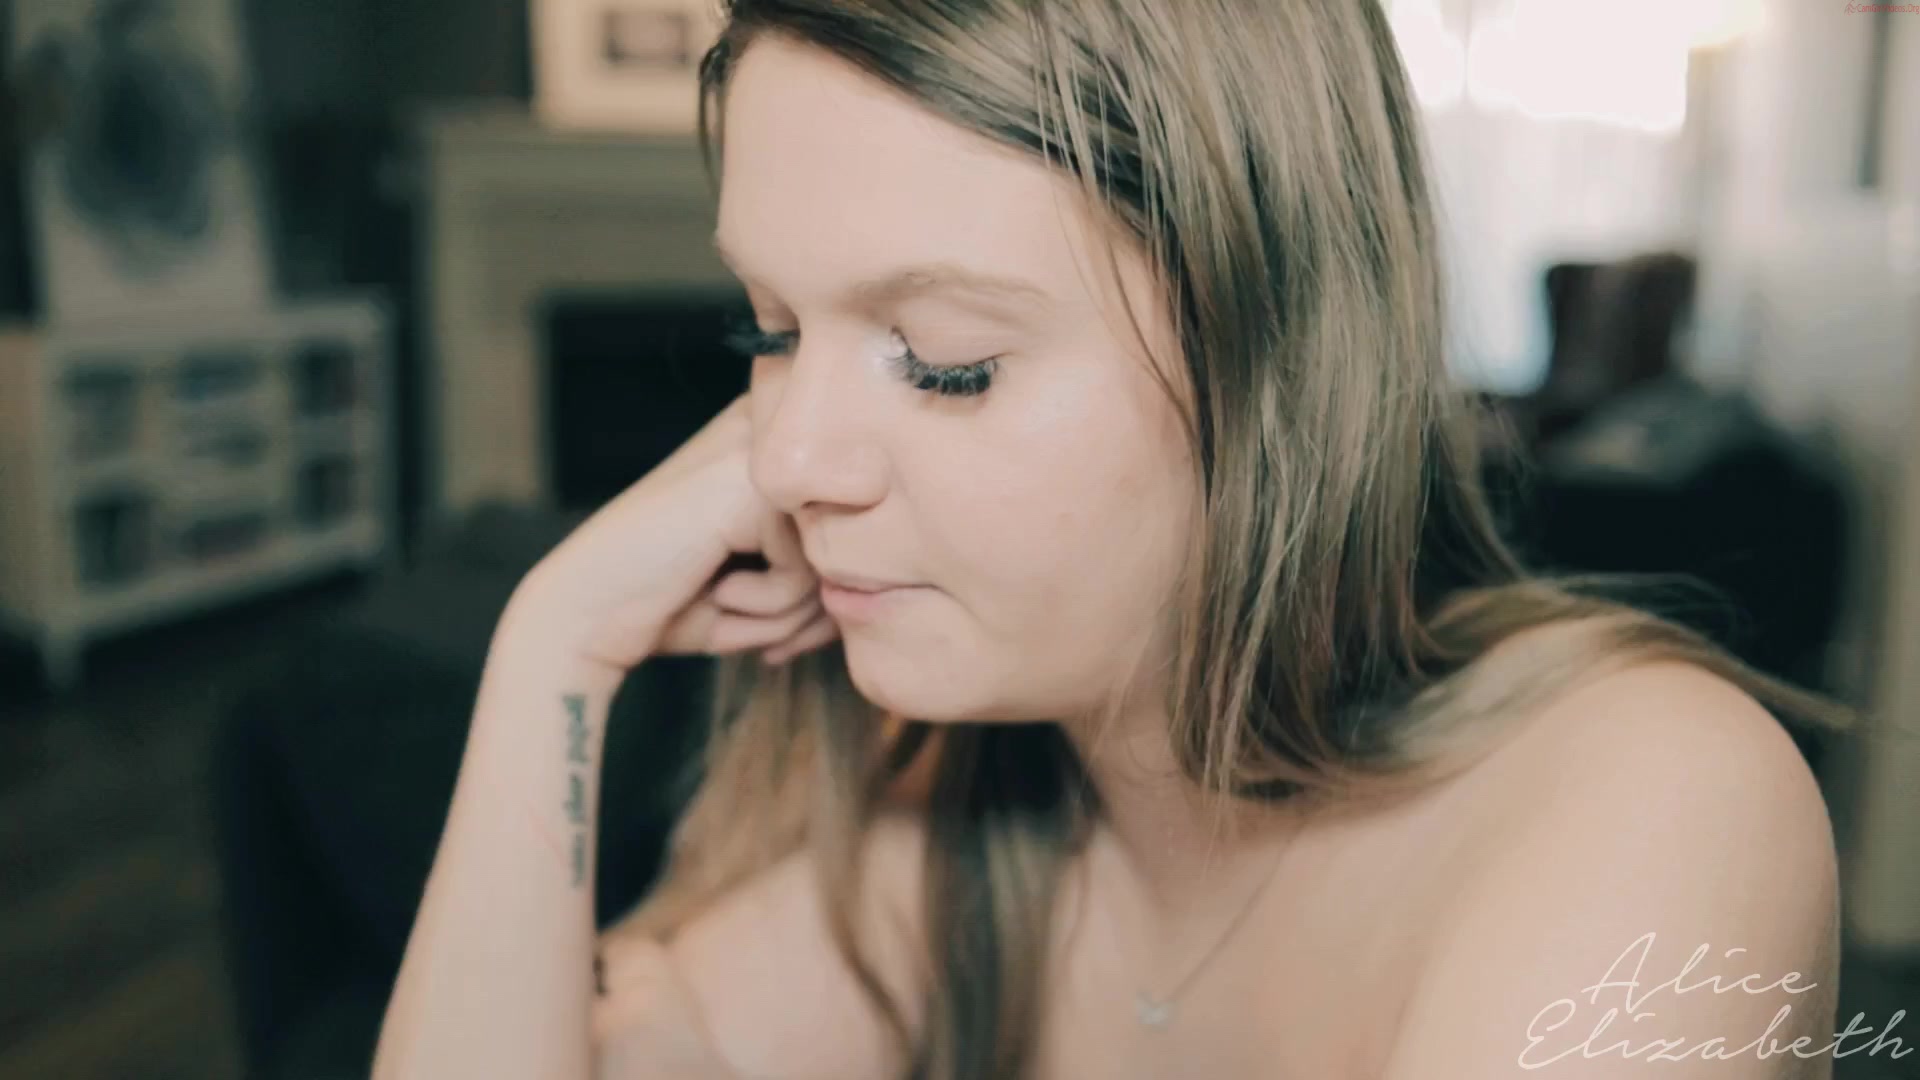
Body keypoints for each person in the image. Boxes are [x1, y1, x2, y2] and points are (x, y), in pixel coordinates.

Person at [371, 2, 1851, 1077]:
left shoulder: (1652, 805)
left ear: (1274, 358)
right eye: (770, 330)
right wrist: (555, 643)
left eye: (946, 359)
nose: (791, 460)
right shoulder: (954, 832)